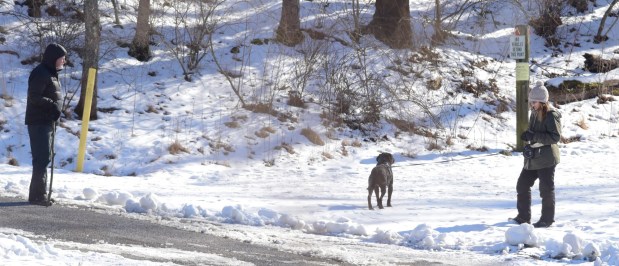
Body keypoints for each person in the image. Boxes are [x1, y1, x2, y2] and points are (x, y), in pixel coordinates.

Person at [511, 80, 562, 228]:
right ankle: (523, 218)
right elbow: (535, 133)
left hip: (547, 158)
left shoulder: (552, 115)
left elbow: (555, 137)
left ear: (542, 101)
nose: (532, 104)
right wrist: (528, 136)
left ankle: (547, 219)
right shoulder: (534, 113)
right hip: (533, 158)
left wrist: (533, 136)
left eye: (534, 102)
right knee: (522, 185)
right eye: (531, 101)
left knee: (546, 189)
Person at [25, 43, 67, 206]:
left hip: (46, 121)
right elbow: (34, 96)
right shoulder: (41, 73)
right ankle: (37, 196)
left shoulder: (50, 73)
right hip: (38, 122)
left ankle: (38, 194)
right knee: (42, 158)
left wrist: (54, 110)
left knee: (44, 158)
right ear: (53, 58)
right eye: (62, 58)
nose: (64, 61)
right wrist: (52, 105)